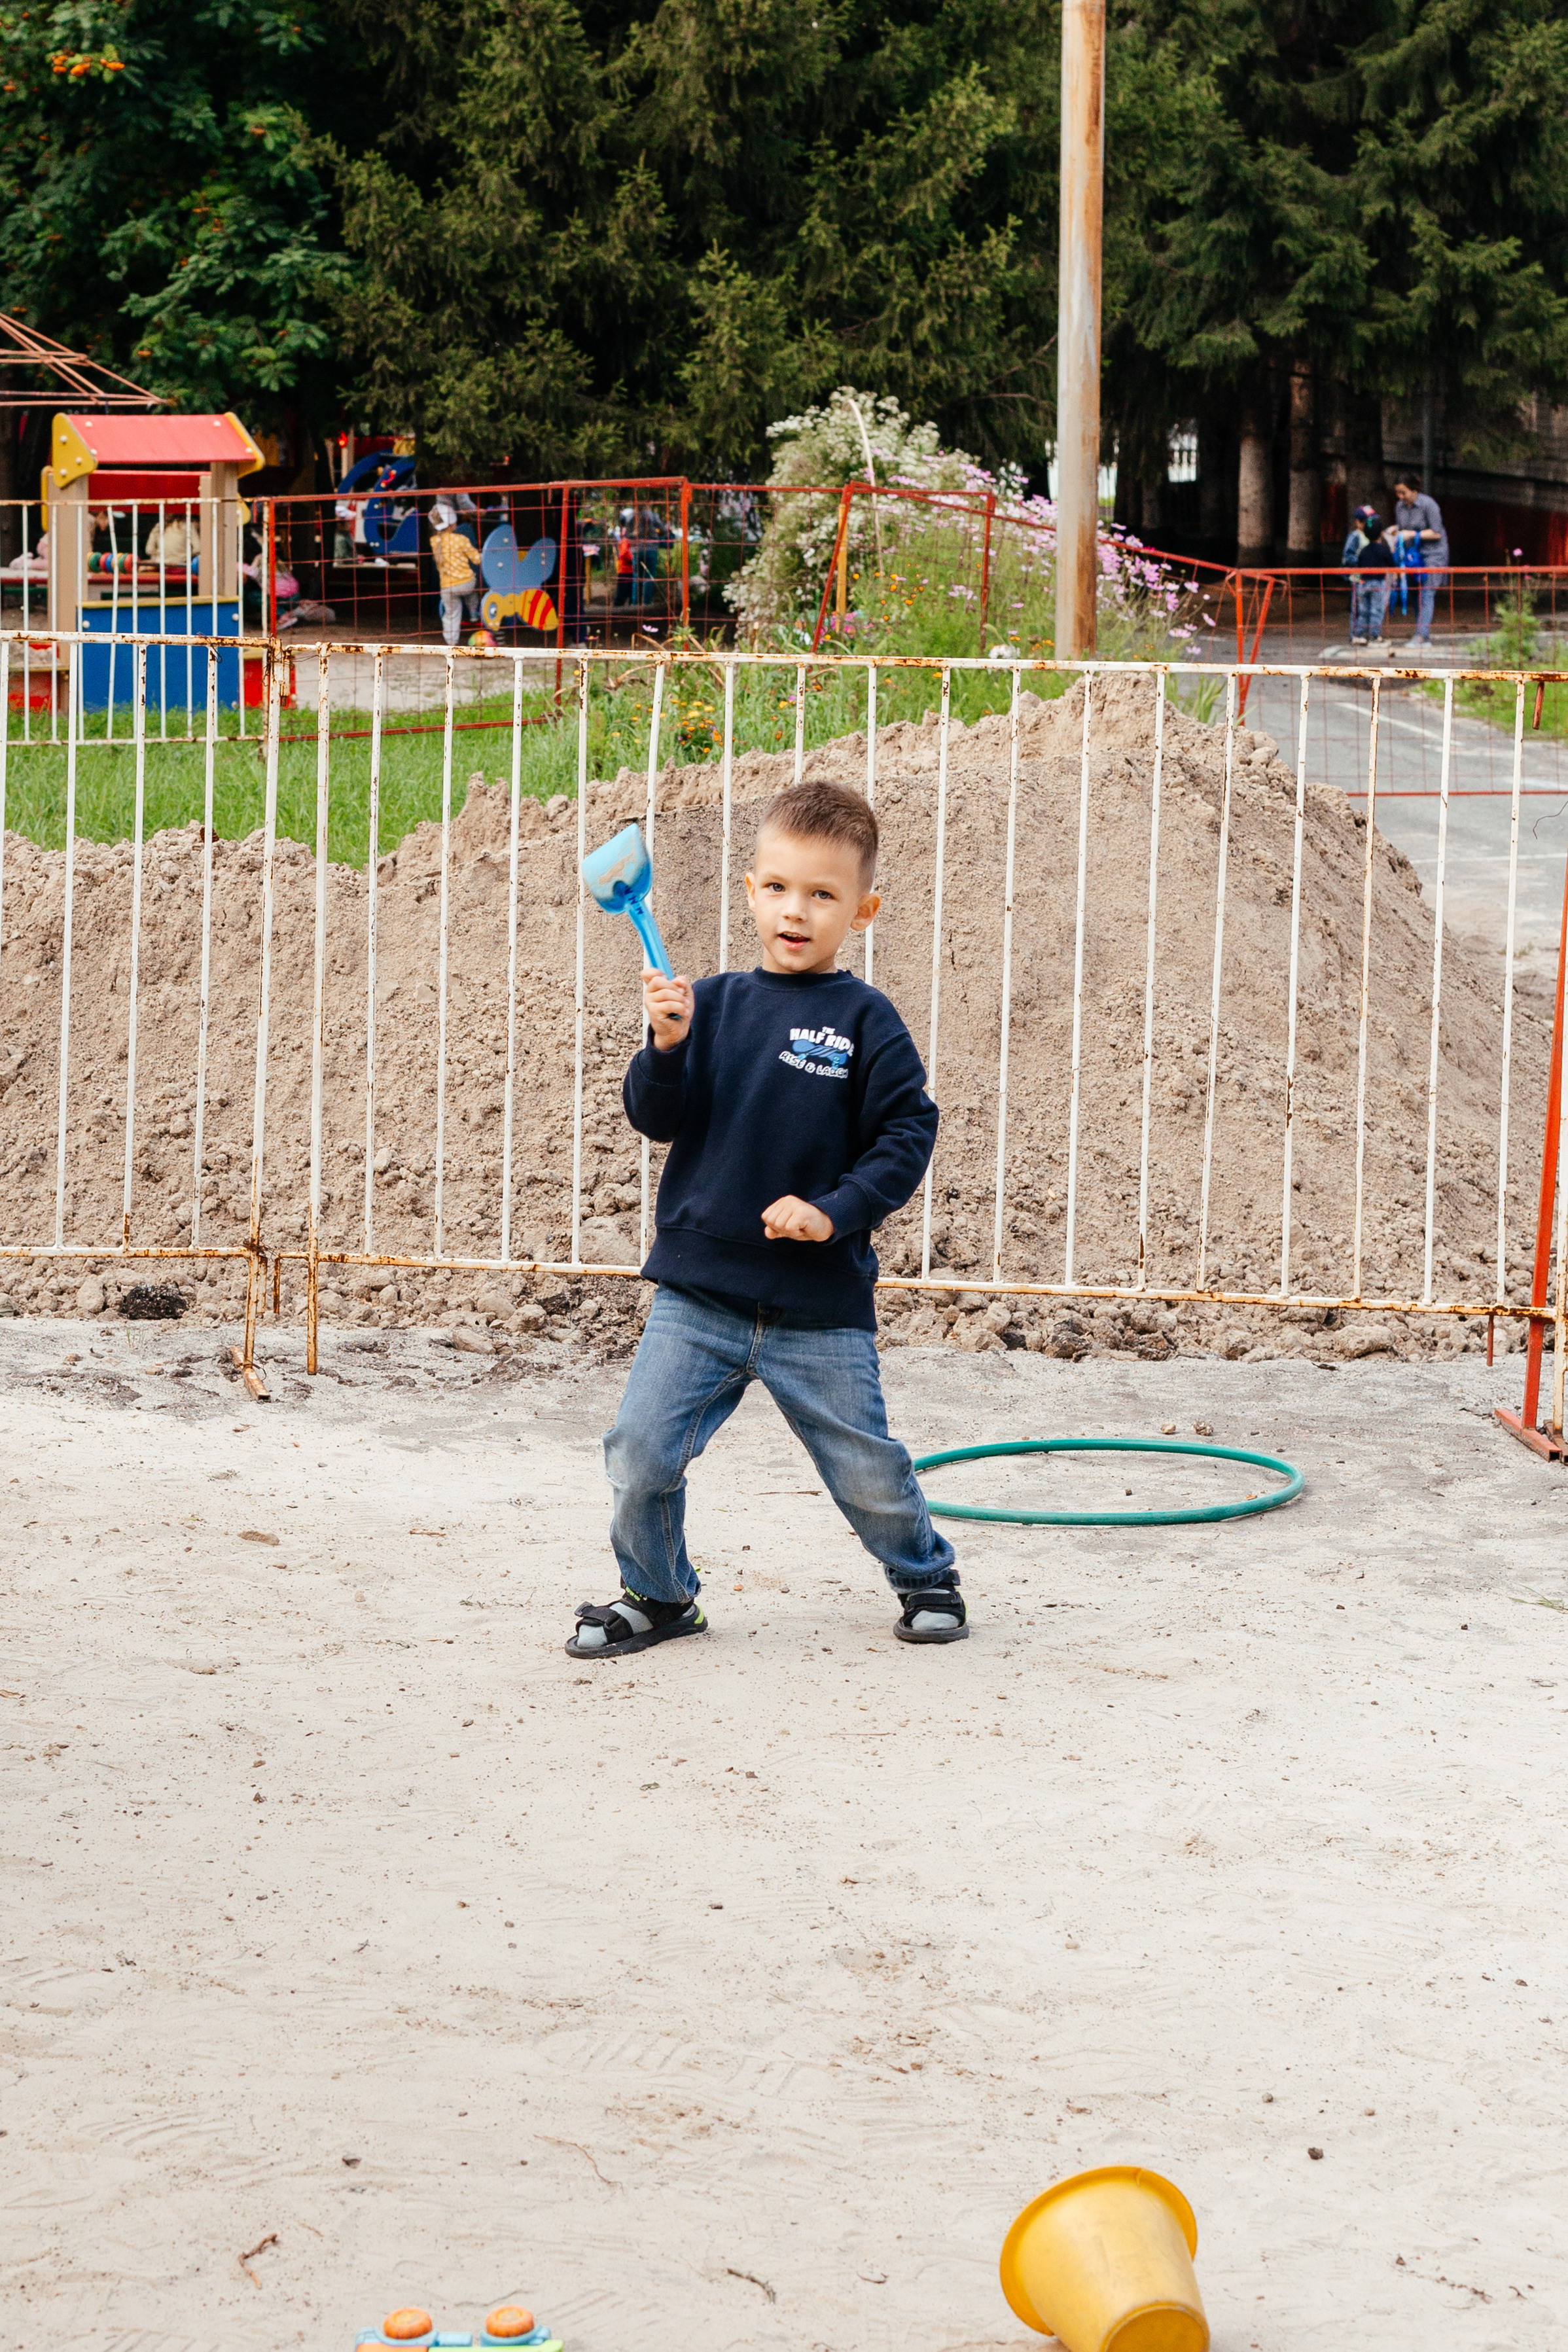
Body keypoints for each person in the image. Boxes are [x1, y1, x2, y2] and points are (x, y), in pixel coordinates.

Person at [567, 778, 965, 1660]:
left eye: (823, 894)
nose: (797, 910)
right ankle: (660, 1594)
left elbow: (909, 1131)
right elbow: (655, 1116)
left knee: (866, 1468)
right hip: (699, 1296)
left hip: (815, 1306)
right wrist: (666, 1046)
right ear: (750, 891)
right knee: (639, 1451)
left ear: (862, 909)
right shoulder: (706, 1005)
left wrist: (836, 1212)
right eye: (779, 888)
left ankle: (926, 1574)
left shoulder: (867, 1023)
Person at [1393, 477, 1449, 652]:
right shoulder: (1400, 507)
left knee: (1426, 593)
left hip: (1433, 555)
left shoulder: (1429, 505)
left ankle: (1422, 636)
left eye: (1404, 492)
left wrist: (1412, 534)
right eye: (1398, 493)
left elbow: (1436, 533)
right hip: (1412, 557)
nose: (1400, 496)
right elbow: (1401, 529)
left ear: (1414, 491)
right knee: (1415, 595)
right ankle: (1422, 632)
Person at [429, 497, 482, 645]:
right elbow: (477, 559)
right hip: (466, 584)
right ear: (453, 523)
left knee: (452, 615)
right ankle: (473, 612)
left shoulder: (434, 542)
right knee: (472, 588)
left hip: (447, 588)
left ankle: (451, 644)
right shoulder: (461, 540)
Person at [1343, 505, 1392, 647]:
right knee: (1359, 609)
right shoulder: (1355, 537)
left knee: (1373, 608)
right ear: (1358, 522)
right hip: (1359, 579)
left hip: (1371, 578)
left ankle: (1369, 634)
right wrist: (1361, 562)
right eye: (1367, 522)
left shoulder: (1373, 539)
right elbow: (1347, 558)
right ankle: (1356, 635)